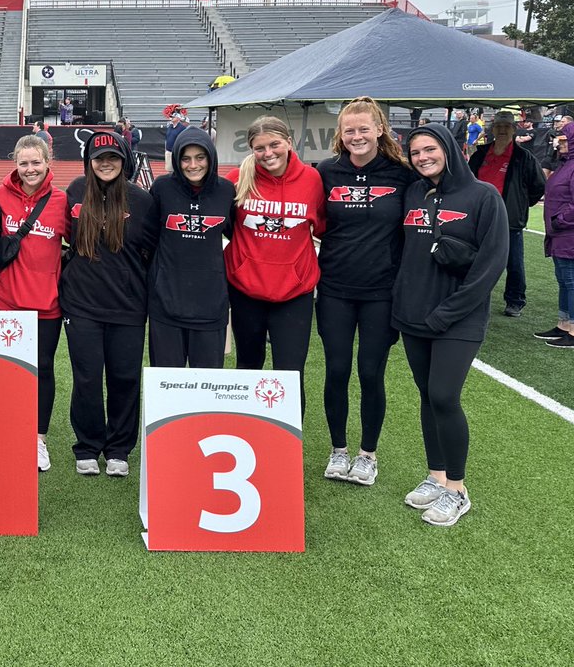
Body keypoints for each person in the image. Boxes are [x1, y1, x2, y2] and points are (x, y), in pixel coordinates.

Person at [394, 123, 508, 527]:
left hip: (458, 318)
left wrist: (448, 311)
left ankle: (457, 490)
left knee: (444, 395)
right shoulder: (413, 192)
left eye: (430, 149)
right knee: (426, 395)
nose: (423, 157)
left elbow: (491, 265)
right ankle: (436, 475)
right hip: (414, 316)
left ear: (449, 149)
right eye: (416, 152)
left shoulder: (484, 196)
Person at [314, 97, 416, 485]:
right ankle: (338, 450)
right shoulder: (326, 171)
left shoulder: (401, 174)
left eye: (363, 128)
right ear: (340, 134)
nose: (356, 136)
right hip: (336, 288)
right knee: (337, 370)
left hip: (381, 291)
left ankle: (367, 454)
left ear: (380, 130)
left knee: (371, 373)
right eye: (349, 129)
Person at [62, 131, 158, 477]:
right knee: (86, 378)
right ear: (89, 162)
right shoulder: (75, 191)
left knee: (124, 378)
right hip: (81, 305)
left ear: (124, 161)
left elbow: (153, 251)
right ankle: (87, 446)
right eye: (99, 158)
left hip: (128, 307)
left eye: (113, 158)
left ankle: (119, 449)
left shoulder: (141, 200)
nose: (105, 164)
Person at [225, 116, 325, 413]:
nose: (268, 153)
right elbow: (225, 225)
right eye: (259, 148)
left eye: (274, 145)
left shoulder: (312, 180)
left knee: (290, 375)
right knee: (247, 367)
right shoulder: (237, 179)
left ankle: (286, 453)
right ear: (251, 149)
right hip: (245, 290)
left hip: (294, 293)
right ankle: (247, 438)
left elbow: (321, 226)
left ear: (289, 142)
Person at [0, 134, 70, 472]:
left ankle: (38, 439)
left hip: (46, 304)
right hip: (6, 301)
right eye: (23, 163)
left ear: (47, 162)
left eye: (36, 162)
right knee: (6, 372)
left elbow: (79, 242)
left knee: (43, 370)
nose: (30, 169)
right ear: (15, 164)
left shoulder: (61, 200)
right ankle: (7, 433)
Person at [148, 127, 234, 369]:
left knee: (207, 389)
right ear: (177, 159)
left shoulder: (226, 191)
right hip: (166, 305)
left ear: (211, 158)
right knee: (166, 386)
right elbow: (147, 237)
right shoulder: (162, 188)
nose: (192, 165)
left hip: (211, 306)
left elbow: (240, 238)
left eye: (200, 157)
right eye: (185, 158)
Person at [469, 111, 546, 318]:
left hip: (509, 219)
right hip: (479, 218)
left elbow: (539, 186)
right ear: (493, 130)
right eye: (499, 126)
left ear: (513, 130)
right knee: (474, 260)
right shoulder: (481, 154)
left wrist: (520, 205)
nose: (502, 130)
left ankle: (515, 300)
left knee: (513, 263)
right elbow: (467, 181)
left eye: (507, 127)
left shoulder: (524, 157)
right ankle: (472, 296)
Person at [537, 121, 574, 348]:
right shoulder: (564, 164)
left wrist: (559, 220)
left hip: (568, 233)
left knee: (571, 281)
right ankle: (563, 323)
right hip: (559, 234)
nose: (558, 143)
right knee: (563, 280)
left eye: (562, 140)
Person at [163, 105, 189, 173]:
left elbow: (183, 139)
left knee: (177, 169)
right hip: (169, 151)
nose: (172, 118)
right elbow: (167, 138)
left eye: (173, 117)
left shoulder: (182, 128)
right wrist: (166, 149)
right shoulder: (170, 127)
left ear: (178, 118)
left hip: (176, 152)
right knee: (169, 170)